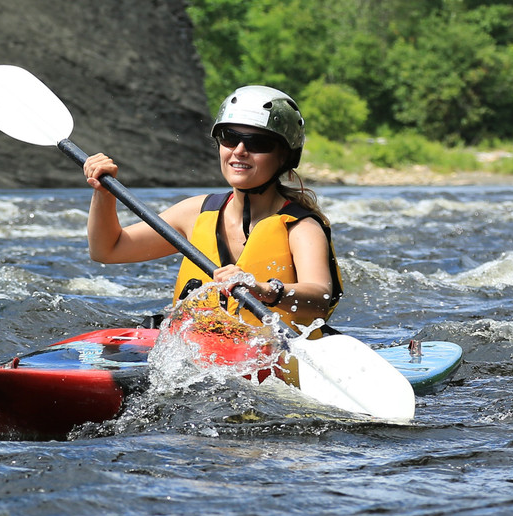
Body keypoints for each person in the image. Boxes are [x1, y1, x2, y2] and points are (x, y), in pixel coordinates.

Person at [83, 85, 342, 333]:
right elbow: (107, 250)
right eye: (230, 138)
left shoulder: (301, 227)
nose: (240, 151)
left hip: (270, 352)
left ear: (285, 157)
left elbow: (319, 297)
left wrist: (262, 289)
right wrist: (103, 193)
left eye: (258, 143)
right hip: (199, 350)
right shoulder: (195, 213)